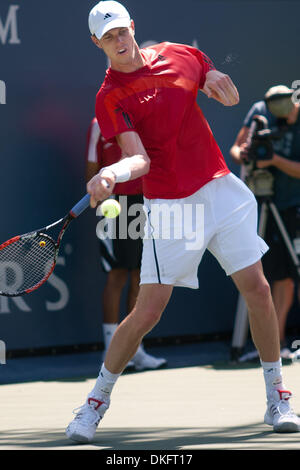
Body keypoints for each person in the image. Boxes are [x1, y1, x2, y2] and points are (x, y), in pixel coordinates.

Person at [66, 1, 300, 442]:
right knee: (148, 311)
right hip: (172, 204)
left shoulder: (178, 54)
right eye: (108, 36)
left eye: (122, 31)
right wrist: (112, 172)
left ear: (133, 28)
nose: (119, 41)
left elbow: (202, 67)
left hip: (220, 187)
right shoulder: (110, 96)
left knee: (258, 288)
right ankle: (94, 403)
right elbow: (137, 157)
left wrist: (213, 78)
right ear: (97, 43)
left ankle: (278, 398)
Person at [86, 116, 167, 371]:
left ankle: (135, 349)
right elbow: (91, 167)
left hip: (147, 202)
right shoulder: (100, 124)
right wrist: (98, 201)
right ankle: (111, 350)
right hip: (115, 206)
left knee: (140, 277)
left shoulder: (147, 120)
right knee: (117, 275)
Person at [230, 85, 300, 361]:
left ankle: (280, 342)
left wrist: (273, 160)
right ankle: (264, 344)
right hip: (257, 206)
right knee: (264, 276)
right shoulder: (260, 111)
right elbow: (236, 149)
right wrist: (246, 155)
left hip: (292, 206)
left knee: (286, 277)